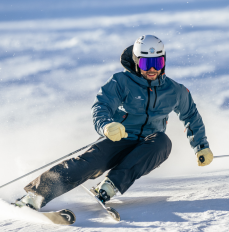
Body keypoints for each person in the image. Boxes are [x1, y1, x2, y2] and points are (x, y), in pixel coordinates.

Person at [14, 35, 213, 211]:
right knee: (88, 164)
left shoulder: (175, 90)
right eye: (145, 64)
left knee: (163, 141)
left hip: (149, 146)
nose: (152, 69)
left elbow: (191, 116)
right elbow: (102, 106)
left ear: (164, 62)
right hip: (120, 137)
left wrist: (201, 147)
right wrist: (107, 125)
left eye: (158, 62)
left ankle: (109, 187)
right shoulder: (121, 82)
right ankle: (34, 196)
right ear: (136, 63)